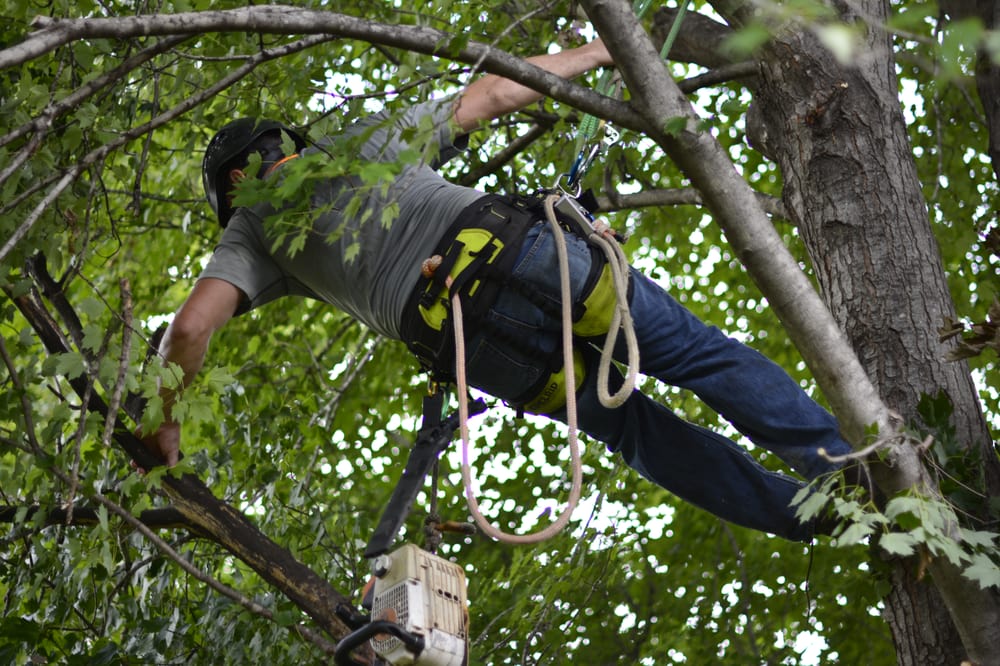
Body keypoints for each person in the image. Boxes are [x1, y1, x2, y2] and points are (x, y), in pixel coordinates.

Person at [141, 39, 855, 542]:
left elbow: (191, 329)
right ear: (279, 146)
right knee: (697, 353)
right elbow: (492, 94)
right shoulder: (355, 144)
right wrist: (604, 52)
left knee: (632, 429)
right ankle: (847, 471)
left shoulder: (252, 235)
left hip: (476, 343)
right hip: (532, 257)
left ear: (232, 185)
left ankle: (800, 515)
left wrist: (164, 419)